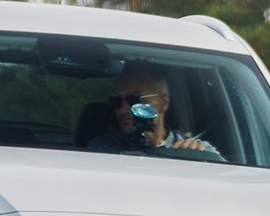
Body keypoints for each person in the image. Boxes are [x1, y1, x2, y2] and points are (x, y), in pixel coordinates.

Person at [86, 63, 219, 157]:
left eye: (134, 99)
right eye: (116, 101)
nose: (123, 109)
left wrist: (195, 159)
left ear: (164, 102)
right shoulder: (102, 149)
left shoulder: (196, 149)